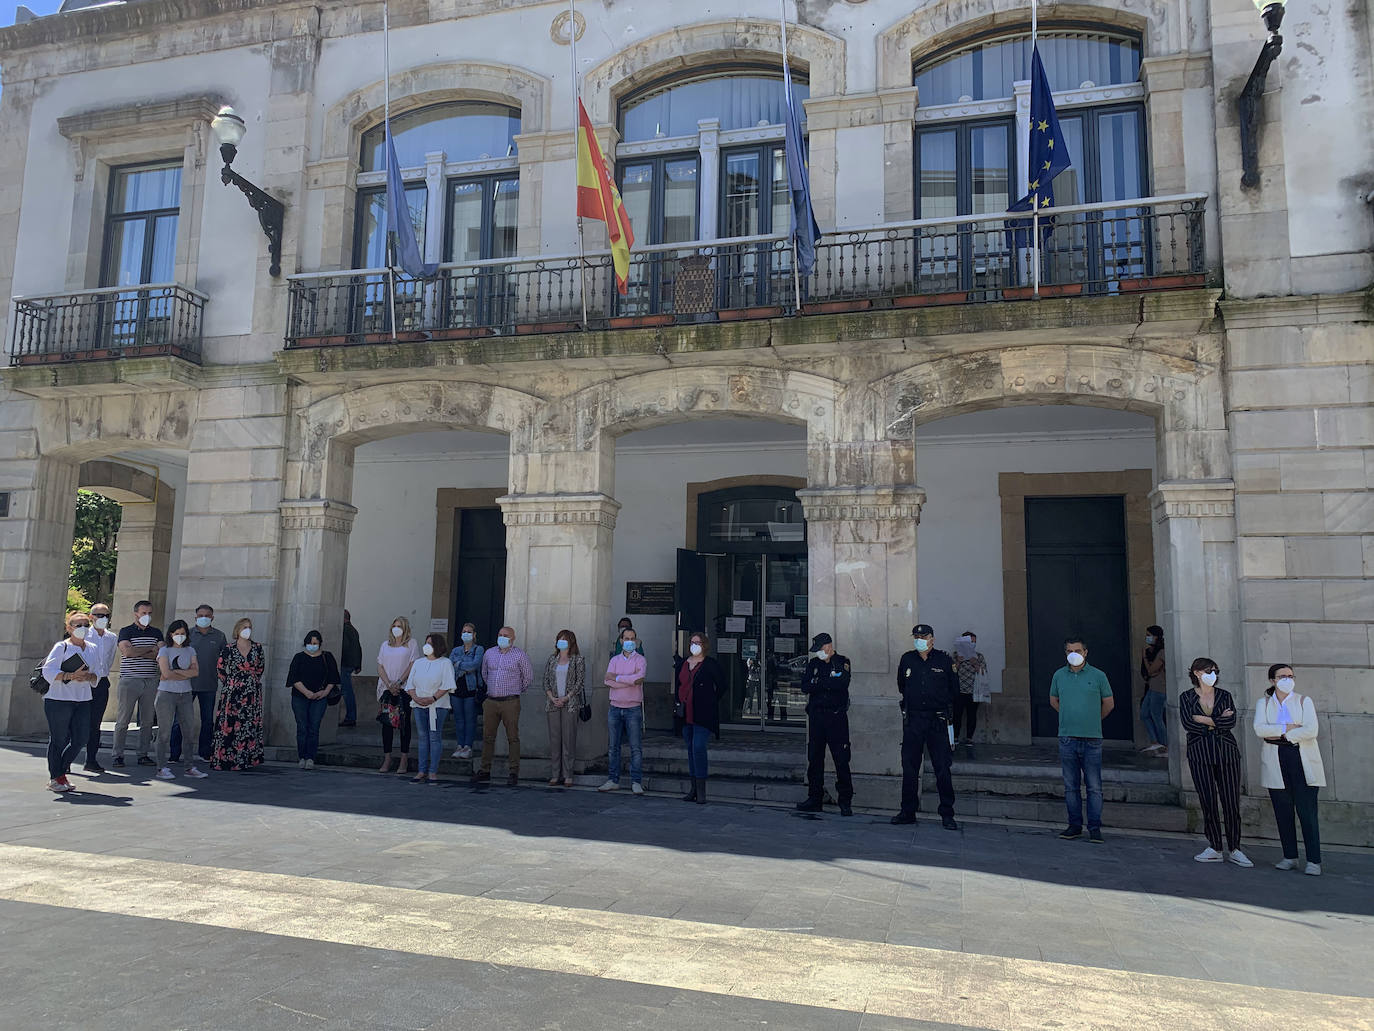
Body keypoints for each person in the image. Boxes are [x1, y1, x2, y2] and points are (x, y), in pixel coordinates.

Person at [1254, 664, 1325, 875]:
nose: (1287, 679)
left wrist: (1281, 734)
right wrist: (1288, 728)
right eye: (1282, 676)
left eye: (1290, 676)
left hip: (1301, 757)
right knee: (1283, 810)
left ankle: (1313, 860)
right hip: (1276, 758)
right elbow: (1260, 729)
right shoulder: (1263, 703)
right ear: (1272, 680)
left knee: (1307, 811)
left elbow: (1311, 730)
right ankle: (1290, 856)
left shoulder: (1304, 701)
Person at [1179, 657, 1250, 866]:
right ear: (1196, 673)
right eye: (1209, 670)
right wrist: (1217, 721)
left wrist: (1206, 720)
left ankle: (1235, 847)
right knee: (1207, 800)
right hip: (1200, 753)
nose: (1213, 674)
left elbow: (1231, 721)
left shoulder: (1224, 696)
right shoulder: (1186, 697)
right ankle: (1215, 846)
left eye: (1216, 671)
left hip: (1226, 753)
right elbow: (1188, 723)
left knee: (1230, 801)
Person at [892, 624, 959, 830]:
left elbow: (954, 690)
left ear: (932, 639)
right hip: (914, 720)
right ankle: (908, 811)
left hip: (937, 720)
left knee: (942, 768)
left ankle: (947, 813)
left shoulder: (944, 660)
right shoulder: (907, 659)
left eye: (924, 636)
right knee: (909, 766)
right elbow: (902, 686)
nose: (919, 639)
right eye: (916, 636)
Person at [1051, 635, 1115, 843]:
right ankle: (1074, 825)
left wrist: (1093, 720)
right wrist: (1067, 716)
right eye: (1070, 651)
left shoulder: (1098, 676)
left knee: (1094, 786)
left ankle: (1094, 828)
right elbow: (1053, 699)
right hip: (1067, 737)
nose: (1074, 655)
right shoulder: (1059, 675)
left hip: (1092, 738)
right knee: (1071, 786)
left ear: (1085, 653)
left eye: (1077, 651)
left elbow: (1108, 703)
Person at [796, 632, 853, 816]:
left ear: (828, 646)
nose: (818, 653)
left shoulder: (842, 661)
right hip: (817, 718)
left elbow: (842, 683)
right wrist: (826, 681)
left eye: (820, 649)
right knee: (814, 760)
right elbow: (805, 686)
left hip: (836, 718)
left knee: (841, 761)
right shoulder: (813, 664)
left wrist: (819, 682)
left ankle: (845, 801)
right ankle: (814, 798)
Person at [40, 611, 98, 792]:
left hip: (82, 699)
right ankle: (56, 777)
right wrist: (70, 675)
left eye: (85, 625)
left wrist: (88, 676)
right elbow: (48, 671)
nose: (82, 629)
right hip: (59, 699)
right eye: (77, 625)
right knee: (58, 739)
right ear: (69, 628)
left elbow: (99, 673)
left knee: (81, 738)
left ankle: (60, 771)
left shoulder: (93, 648)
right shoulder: (61, 647)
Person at [476, 625, 533, 786]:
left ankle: (513, 771)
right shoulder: (489, 653)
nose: (502, 637)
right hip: (491, 701)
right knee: (488, 737)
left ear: (513, 638)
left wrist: (515, 691)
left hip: (510, 702)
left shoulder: (520, 655)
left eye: (506, 635)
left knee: (512, 738)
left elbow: (528, 677)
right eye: (500, 634)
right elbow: (484, 673)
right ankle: (485, 770)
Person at [170, 603, 226, 766]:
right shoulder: (187, 636)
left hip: (209, 684)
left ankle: (205, 752)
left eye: (207, 615)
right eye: (201, 615)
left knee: (208, 720)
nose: (204, 618)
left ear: (212, 618)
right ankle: (174, 754)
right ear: (195, 617)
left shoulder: (219, 636)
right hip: (186, 684)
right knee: (179, 720)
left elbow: (224, 660)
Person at [674, 631, 724, 805]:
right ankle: (693, 788)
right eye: (693, 642)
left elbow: (722, 686)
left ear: (704, 645)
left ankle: (702, 790)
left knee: (698, 747)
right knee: (690, 749)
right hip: (685, 713)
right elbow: (679, 685)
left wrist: (710, 700)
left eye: (698, 642)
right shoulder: (682, 664)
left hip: (703, 714)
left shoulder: (710, 664)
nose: (695, 645)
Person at [210, 617, 265, 771]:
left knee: (248, 723)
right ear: (238, 629)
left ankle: (245, 759)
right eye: (244, 627)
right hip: (232, 691)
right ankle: (226, 759)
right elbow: (220, 667)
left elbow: (260, 667)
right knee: (230, 723)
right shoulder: (229, 648)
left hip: (251, 691)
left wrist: (251, 680)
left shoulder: (257, 647)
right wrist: (229, 682)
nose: (247, 630)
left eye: (249, 627)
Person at [153, 620, 206, 781]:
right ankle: (161, 767)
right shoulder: (164, 651)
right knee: (164, 732)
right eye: (177, 634)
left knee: (189, 731)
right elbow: (165, 674)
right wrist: (185, 672)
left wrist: (175, 672)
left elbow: (196, 671)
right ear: (171, 635)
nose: (180, 636)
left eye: (183, 633)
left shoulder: (190, 650)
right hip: (166, 694)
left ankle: (189, 766)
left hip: (186, 694)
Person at [113, 599, 162, 767]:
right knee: (123, 720)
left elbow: (159, 654)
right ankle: (117, 755)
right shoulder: (126, 631)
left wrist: (139, 651)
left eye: (149, 613)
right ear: (136, 614)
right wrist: (149, 650)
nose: (147, 616)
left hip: (150, 680)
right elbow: (127, 652)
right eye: (143, 613)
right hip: (129, 680)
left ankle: (143, 754)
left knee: (148, 721)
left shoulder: (156, 632)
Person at [599, 626, 646, 795]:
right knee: (613, 747)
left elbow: (639, 679)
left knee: (635, 747)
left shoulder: (640, 659)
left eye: (632, 639)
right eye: (626, 639)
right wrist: (628, 680)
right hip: (615, 707)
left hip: (632, 707)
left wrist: (618, 678)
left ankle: (636, 781)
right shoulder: (614, 660)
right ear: (621, 641)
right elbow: (607, 680)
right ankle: (613, 780)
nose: (630, 642)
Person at [406, 633, 456, 784]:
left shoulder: (445, 663)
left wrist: (432, 698)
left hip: (437, 705)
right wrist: (416, 698)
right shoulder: (418, 663)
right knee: (422, 737)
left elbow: (447, 685)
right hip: (419, 704)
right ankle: (421, 771)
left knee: (434, 737)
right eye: (426, 642)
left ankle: (433, 771)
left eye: (430, 643)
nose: (427, 646)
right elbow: (410, 684)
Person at [287, 629, 339, 770]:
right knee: (302, 727)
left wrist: (325, 692)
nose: (312, 645)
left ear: (320, 644)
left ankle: (310, 757)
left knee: (314, 727)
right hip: (300, 697)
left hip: (320, 697)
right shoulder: (299, 657)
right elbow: (293, 678)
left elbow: (333, 677)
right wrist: (307, 693)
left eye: (315, 643)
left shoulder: (327, 657)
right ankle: (302, 756)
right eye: (310, 643)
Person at [78, 601, 118, 774]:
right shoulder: (85, 635)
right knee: (77, 722)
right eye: (100, 615)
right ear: (92, 617)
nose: (104, 619)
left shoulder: (112, 637)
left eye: (106, 615)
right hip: (83, 683)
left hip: (101, 683)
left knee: (95, 724)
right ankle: (65, 761)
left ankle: (91, 759)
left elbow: (108, 660)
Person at [377, 617, 420, 774]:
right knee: (386, 723)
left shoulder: (412, 643)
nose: (396, 629)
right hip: (387, 688)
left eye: (400, 626)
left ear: (405, 628)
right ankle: (387, 758)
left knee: (404, 723)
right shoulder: (385, 645)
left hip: (404, 688)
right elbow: (380, 666)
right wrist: (389, 684)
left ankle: (404, 758)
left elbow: (412, 664)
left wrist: (399, 682)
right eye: (394, 626)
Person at [543, 629, 586, 787]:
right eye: (559, 639)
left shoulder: (578, 660)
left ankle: (568, 774)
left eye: (564, 639)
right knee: (555, 741)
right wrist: (552, 697)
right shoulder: (552, 659)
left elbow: (579, 682)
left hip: (570, 704)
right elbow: (545, 680)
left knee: (568, 740)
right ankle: (555, 774)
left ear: (571, 642)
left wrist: (567, 697)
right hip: (553, 704)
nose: (561, 642)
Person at [952, 631, 989, 758]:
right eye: (970, 642)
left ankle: (969, 738)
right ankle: (955, 737)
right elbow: (951, 672)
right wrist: (958, 662)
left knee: (972, 715)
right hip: (959, 691)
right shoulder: (955, 656)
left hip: (974, 691)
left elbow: (983, 672)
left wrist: (975, 663)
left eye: (974, 642)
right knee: (956, 715)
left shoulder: (979, 656)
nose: (972, 645)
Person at [449, 623, 483, 759]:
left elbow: (475, 665)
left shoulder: (478, 649)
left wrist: (459, 664)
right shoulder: (456, 650)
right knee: (458, 719)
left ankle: (468, 746)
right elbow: (450, 664)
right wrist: (464, 666)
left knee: (470, 719)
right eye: (464, 631)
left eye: (469, 632)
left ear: (474, 635)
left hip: (471, 688)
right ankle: (460, 745)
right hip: (456, 687)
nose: (466, 634)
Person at [1138, 624, 1167, 756]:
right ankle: (1155, 741)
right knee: (1144, 713)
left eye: (1149, 635)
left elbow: (1151, 670)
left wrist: (1144, 656)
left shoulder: (1161, 652)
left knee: (1157, 716)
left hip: (1159, 689)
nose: (1147, 638)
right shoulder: (1154, 651)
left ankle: (1165, 745)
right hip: (1152, 688)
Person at [339, 609, 362, 727]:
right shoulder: (353, 630)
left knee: (346, 692)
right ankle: (350, 717)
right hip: (350, 664)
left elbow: (345, 648)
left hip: (345, 664)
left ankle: (350, 717)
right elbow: (358, 648)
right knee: (347, 691)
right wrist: (358, 665)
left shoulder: (345, 629)